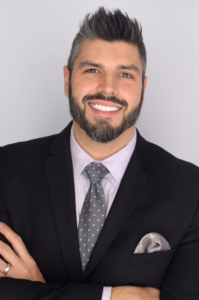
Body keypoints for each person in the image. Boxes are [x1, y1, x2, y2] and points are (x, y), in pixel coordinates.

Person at [0, 7, 199, 300]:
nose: (108, 88)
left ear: (143, 88)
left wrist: (38, 292)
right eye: (92, 70)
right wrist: (113, 296)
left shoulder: (189, 188)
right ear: (67, 79)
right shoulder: (6, 169)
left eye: (125, 74)